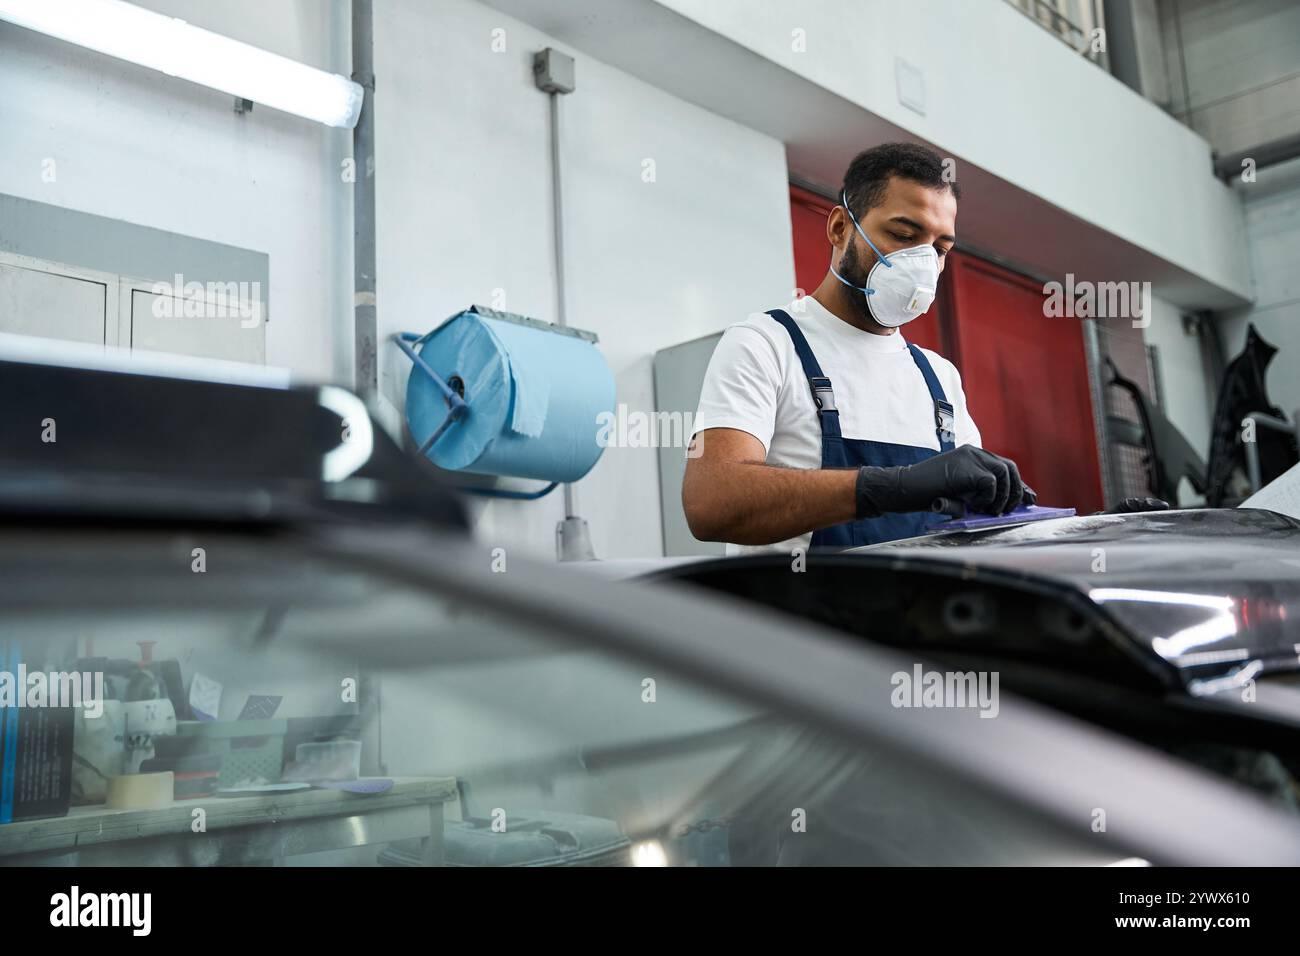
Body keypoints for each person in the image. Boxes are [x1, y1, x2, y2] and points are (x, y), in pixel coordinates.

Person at [683, 142, 1033, 552]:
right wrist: (894, 487)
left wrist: (1099, 528)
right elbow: (710, 502)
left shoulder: (939, 377)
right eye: (904, 235)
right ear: (839, 228)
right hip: (796, 614)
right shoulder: (765, 344)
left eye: (939, 250)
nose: (923, 264)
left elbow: (979, 529)